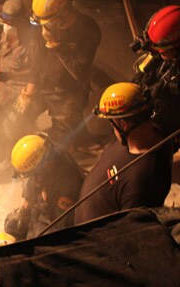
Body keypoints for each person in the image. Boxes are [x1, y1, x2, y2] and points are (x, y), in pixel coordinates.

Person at [74, 82, 173, 224]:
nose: (112, 128)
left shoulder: (142, 180)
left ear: (124, 125)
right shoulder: (149, 134)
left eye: (112, 123)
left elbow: (131, 231)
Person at [27, 0, 102, 149]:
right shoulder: (46, 25)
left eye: (48, 23)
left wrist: (56, 44)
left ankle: (89, 155)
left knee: (64, 137)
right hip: (45, 84)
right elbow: (38, 56)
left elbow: (80, 72)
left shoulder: (88, 29)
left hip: (68, 92)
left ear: (64, 14)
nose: (44, 29)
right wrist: (32, 84)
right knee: (20, 119)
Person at [0, 0, 44, 166]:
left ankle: (10, 156)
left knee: (10, 127)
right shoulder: (9, 29)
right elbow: (3, 53)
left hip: (15, 91)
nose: (5, 25)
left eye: (8, 22)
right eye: (4, 20)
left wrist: (11, 77)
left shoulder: (33, 41)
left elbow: (37, 72)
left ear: (18, 21)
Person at [132, 5, 180, 145]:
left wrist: (178, 141)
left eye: (163, 50)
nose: (158, 53)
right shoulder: (166, 55)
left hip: (164, 135)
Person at [5, 133, 83, 239]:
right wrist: (25, 211)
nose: (31, 177)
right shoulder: (47, 154)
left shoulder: (65, 186)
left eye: (31, 173)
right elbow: (32, 189)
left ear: (41, 167)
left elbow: (59, 227)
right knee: (11, 225)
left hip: (58, 225)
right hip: (45, 207)